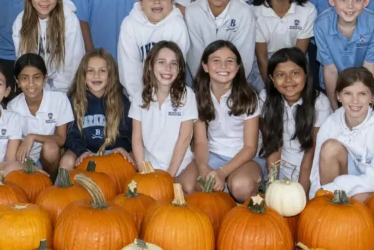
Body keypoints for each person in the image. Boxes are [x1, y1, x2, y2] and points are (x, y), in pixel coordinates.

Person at [309, 67, 374, 200]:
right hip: (340, 187)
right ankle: (330, 205)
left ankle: (341, 204)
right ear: (339, 96)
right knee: (329, 147)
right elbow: (317, 170)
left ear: (372, 97)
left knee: (359, 198)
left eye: (362, 94)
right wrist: (318, 198)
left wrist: (338, 186)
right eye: (348, 94)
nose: (355, 100)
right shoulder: (331, 123)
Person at [192, 40, 261, 202]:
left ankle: (241, 211)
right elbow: (201, 142)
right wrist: (204, 168)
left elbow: (250, 147)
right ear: (205, 66)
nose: (223, 66)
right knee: (192, 186)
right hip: (213, 154)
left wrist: (222, 172)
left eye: (230, 61)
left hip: (244, 157)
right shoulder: (198, 97)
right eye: (216, 61)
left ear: (237, 68)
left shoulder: (248, 96)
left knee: (240, 186)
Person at [258, 48, 332, 194]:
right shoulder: (266, 98)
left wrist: (302, 187)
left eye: (295, 73)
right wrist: (273, 184)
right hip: (280, 165)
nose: (288, 80)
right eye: (280, 75)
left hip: (311, 167)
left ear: (306, 74)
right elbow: (273, 144)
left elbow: (311, 148)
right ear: (272, 79)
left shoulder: (320, 102)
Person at [130, 41, 198, 194]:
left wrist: (169, 176)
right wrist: (144, 172)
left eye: (173, 63)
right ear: (150, 65)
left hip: (181, 165)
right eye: (161, 62)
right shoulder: (139, 96)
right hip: (149, 165)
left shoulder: (187, 95)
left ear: (180, 69)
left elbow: (185, 138)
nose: (168, 68)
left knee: (187, 190)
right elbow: (137, 138)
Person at [185, 0, 261, 90]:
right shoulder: (192, 11)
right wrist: (206, 88)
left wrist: (229, 88)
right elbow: (195, 57)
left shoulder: (245, 13)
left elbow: (244, 57)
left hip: (236, 78)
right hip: (202, 78)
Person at [315, 0, 374, 106]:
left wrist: (366, 100)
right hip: (331, 84)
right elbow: (330, 69)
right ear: (331, 0)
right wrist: (334, 107)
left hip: (360, 83)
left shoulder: (373, 24)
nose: (350, 6)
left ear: (366, 1)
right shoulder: (321, 24)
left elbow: (369, 66)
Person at [117, 0, 190, 101]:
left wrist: (164, 101)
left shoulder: (177, 25)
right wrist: (141, 100)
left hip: (170, 97)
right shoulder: (129, 24)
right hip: (136, 97)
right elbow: (129, 69)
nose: (157, 1)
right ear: (141, 3)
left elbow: (176, 68)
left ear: (172, 2)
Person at [12, 0, 83, 94]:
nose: (45, 0)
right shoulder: (21, 21)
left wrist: (56, 89)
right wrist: (37, 88)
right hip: (33, 90)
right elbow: (23, 61)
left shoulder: (69, 20)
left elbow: (73, 62)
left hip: (64, 91)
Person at [61, 50, 133, 170]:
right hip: (84, 152)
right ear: (82, 74)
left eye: (102, 71)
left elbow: (126, 132)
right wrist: (81, 151)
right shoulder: (74, 101)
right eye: (90, 71)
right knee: (66, 160)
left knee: (130, 160)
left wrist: (121, 147)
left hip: (112, 152)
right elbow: (71, 134)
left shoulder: (121, 101)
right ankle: (65, 188)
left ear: (111, 74)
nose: (96, 75)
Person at [7, 54, 73, 174]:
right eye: (25, 78)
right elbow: (14, 143)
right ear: (17, 81)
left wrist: (32, 136)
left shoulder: (59, 99)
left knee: (51, 148)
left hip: (50, 157)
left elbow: (61, 139)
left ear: (45, 78)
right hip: (24, 157)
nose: (31, 84)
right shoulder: (13, 106)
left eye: (37, 77)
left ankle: (50, 180)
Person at [252, 0, 314, 78]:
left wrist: (289, 81)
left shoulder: (307, 10)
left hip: (296, 66)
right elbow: (262, 58)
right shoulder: (254, 12)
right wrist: (271, 90)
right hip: (264, 69)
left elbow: (299, 55)